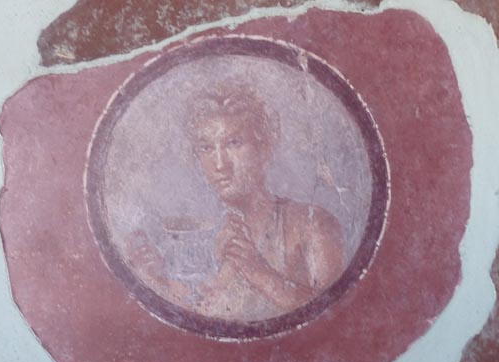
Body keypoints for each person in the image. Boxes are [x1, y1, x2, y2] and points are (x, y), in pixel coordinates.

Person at [129, 81, 345, 322]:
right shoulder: (206, 234)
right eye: (206, 148)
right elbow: (206, 316)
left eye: (233, 143)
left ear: (265, 147)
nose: (220, 164)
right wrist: (157, 281)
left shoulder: (312, 224)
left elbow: (336, 317)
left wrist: (258, 271)